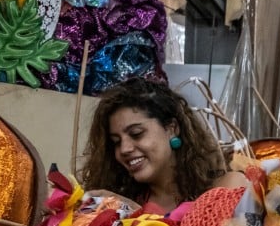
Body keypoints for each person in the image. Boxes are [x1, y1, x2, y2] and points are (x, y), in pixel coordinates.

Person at [80, 77, 246, 214]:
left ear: (172, 129)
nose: (124, 149)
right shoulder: (115, 208)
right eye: (116, 142)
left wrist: (137, 219)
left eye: (136, 134)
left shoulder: (228, 189)